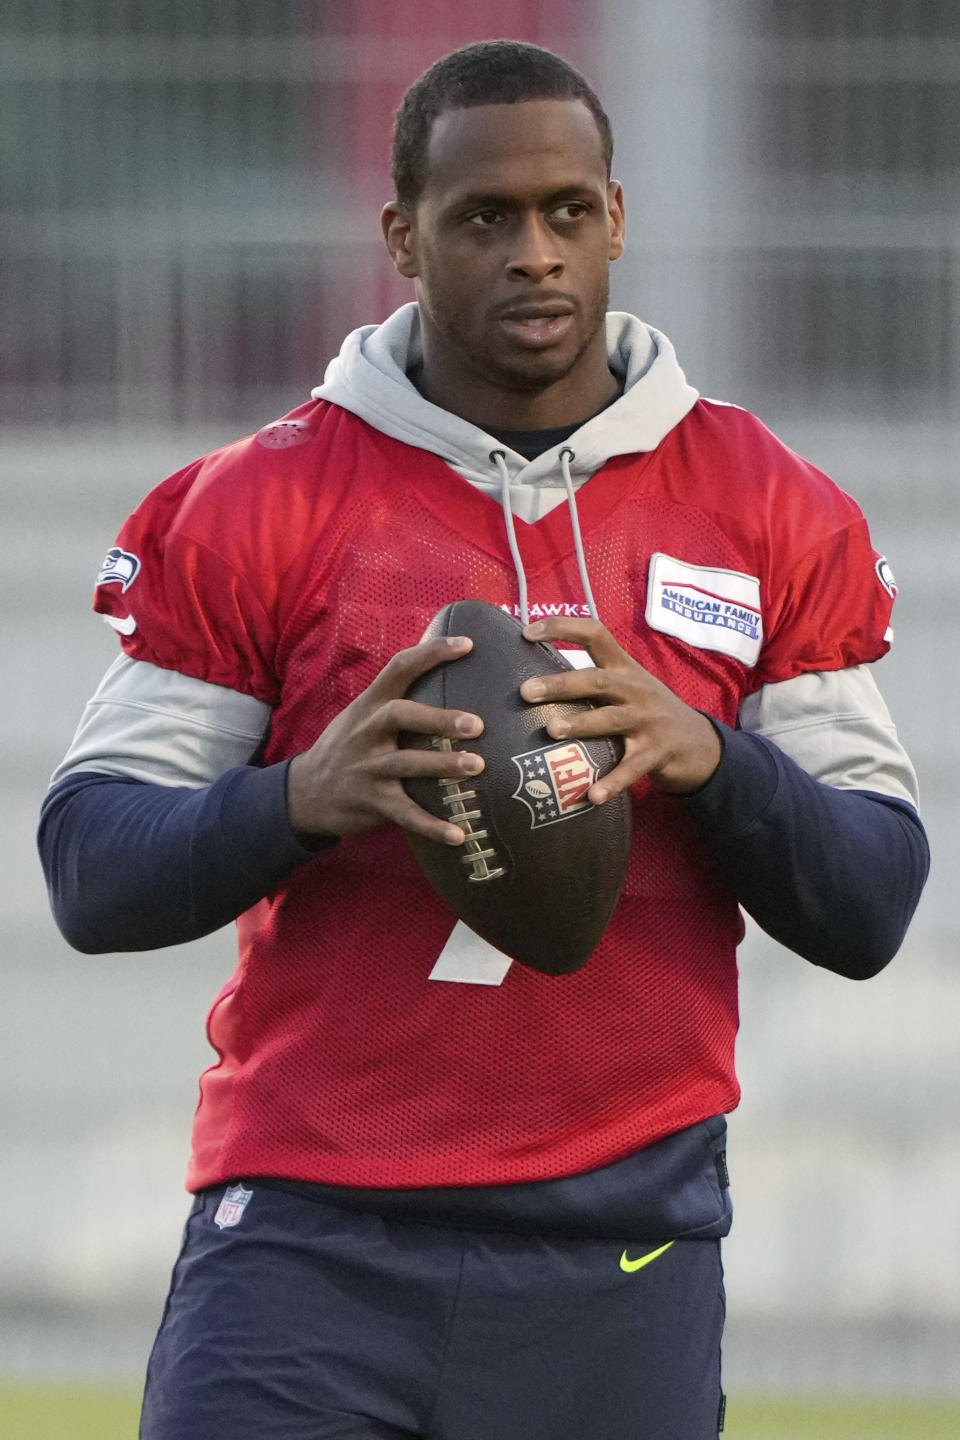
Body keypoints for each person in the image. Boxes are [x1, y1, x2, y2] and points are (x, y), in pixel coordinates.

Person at [39, 39, 928, 1440]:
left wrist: (709, 755)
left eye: (569, 212)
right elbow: (91, 867)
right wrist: (300, 799)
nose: (536, 253)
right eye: (484, 218)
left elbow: (874, 898)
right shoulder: (253, 504)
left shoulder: (770, 509)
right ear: (402, 236)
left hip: (619, 1249)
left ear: (618, 218)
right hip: (305, 1246)